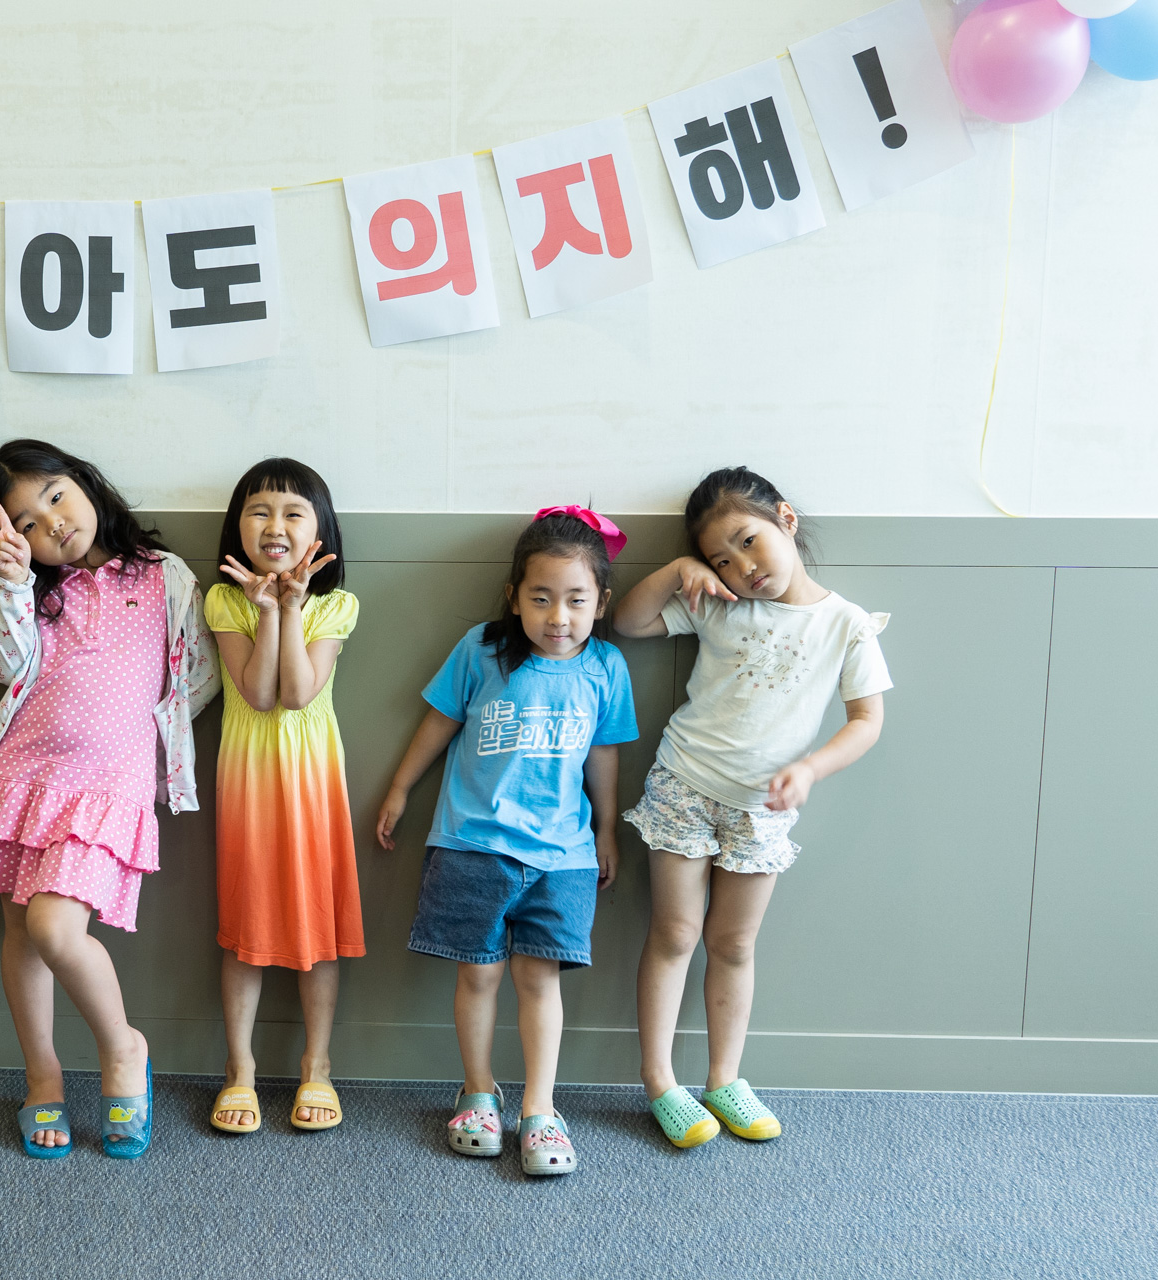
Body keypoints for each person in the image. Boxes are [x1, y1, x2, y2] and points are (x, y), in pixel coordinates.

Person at [0, 439, 219, 1160]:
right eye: (28, 523)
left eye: (56, 497)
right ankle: (41, 1077)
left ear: (86, 484)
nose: (53, 524)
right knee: (20, 930)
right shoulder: (34, 589)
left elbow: (200, 673)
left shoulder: (163, 575)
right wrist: (11, 584)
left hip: (107, 788)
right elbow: (6, 668)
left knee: (54, 927)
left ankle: (123, 1047)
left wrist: (146, 736)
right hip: (23, 774)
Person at [614, 466, 890, 1148]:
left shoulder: (846, 624)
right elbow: (627, 621)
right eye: (721, 559)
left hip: (763, 808)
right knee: (675, 934)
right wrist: (680, 570)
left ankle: (725, 1079)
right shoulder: (718, 601)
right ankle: (660, 1081)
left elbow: (866, 720)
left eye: (748, 542)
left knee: (734, 944)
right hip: (685, 784)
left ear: (786, 520)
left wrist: (811, 767)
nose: (742, 567)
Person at [376, 507, 636, 1177]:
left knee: (538, 978)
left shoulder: (606, 667)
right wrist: (401, 788)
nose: (558, 617)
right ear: (514, 597)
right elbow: (439, 723)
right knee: (480, 973)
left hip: (564, 856)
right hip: (473, 844)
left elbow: (604, 755)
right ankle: (478, 1092)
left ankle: (541, 1109)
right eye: (541, 598)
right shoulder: (482, 649)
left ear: (601, 603)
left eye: (576, 600)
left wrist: (607, 829)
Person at [206, 459, 362, 1135]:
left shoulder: (336, 605)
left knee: (317, 933)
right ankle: (238, 1069)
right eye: (259, 511)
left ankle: (316, 1065)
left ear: (319, 531)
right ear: (237, 528)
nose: (275, 525)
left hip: (313, 782)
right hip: (248, 781)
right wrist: (267, 609)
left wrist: (293, 605)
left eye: (294, 513)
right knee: (244, 929)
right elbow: (259, 693)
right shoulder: (224, 601)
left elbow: (298, 693)